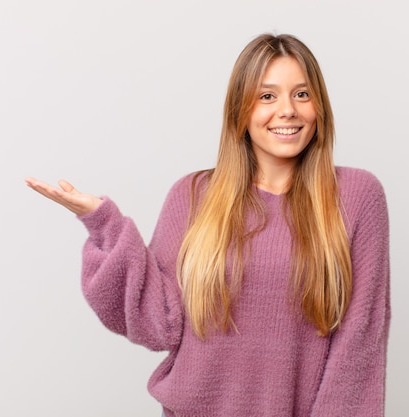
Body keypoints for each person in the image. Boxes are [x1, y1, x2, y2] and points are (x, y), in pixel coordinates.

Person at [26, 33, 390, 417]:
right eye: (267, 96)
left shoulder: (356, 196)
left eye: (302, 94)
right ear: (240, 109)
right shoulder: (193, 195)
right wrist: (104, 224)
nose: (287, 110)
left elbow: (359, 348)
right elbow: (158, 323)